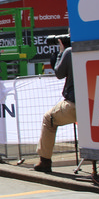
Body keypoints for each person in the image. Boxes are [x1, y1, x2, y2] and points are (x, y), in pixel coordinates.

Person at [35, 35, 75, 173]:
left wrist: (61, 52)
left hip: (74, 104)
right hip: (95, 104)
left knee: (48, 119)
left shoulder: (69, 52)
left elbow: (59, 73)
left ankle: (45, 161)